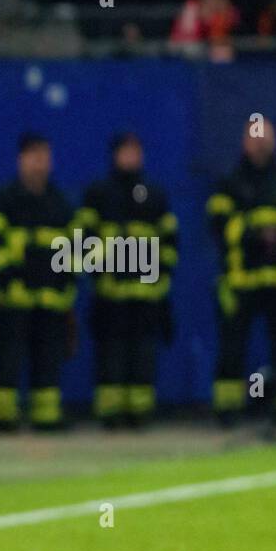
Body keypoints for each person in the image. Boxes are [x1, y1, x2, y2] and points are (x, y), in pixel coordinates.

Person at [207, 118, 276, 425]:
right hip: (241, 280)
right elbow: (218, 225)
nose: (261, 142)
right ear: (244, 142)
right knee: (233, 347)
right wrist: (254, 232)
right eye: (256, 137)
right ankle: (228, 408)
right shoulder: (230, 183)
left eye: (266, 136)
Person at [75, 132, 177, 429]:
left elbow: (169, 242)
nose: (132, 157)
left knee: (143, 353)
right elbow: (83, 238)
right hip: (110, 292)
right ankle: (110, 412)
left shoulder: (154, 194)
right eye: (126, 151)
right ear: (115, 155)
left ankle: (140, 412)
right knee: (111, 352)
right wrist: (96, 271)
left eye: (136, 151)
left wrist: (162, 278)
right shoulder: (99, 193)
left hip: (146, 293)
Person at [0, 133, 76, 432]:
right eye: (34, 156)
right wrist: (8, 279)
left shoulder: (60, 203)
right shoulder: (3, 199)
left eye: (44, 156)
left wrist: (64, 284)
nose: (40, 163)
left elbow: (74, 248)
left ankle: (46, 418)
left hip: (50, 300)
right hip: (13, 299)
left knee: (48, 360)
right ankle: (2, 417)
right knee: (8, 359)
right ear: (21, 159)